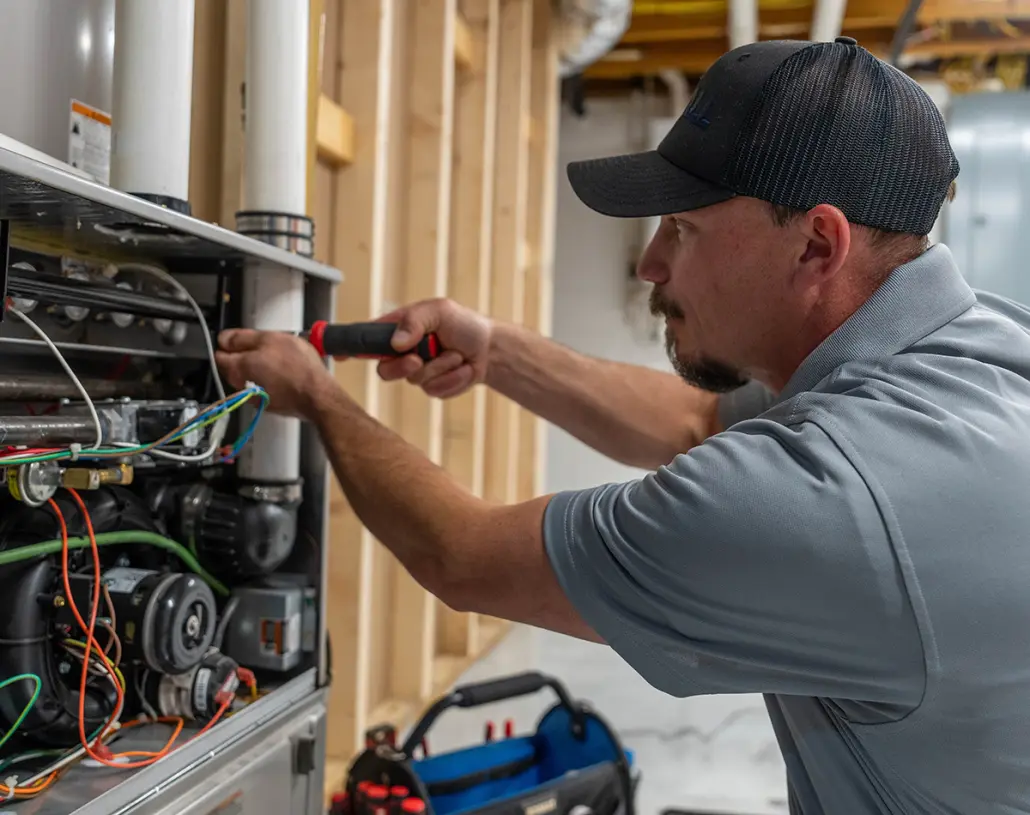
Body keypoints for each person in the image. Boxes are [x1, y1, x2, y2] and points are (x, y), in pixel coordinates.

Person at [214, 36, 1030, 815]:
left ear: (819, 245)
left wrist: (317, 395)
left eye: (684, 227)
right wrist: (495, 351)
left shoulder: (842, 496)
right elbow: (694, 421)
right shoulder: (976, 348)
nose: (650, 264)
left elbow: (461, 556)